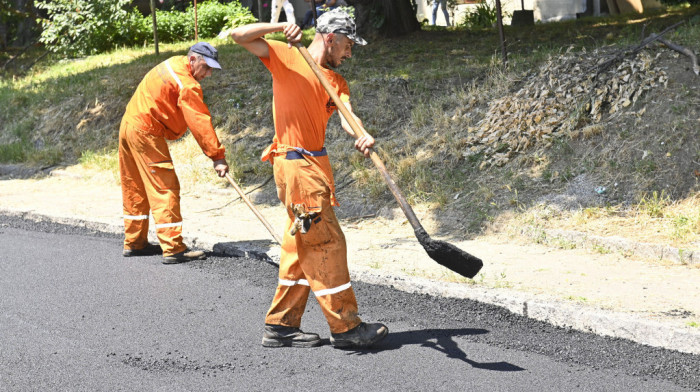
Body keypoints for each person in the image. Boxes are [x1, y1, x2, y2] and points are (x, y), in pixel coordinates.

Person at [230, 9, 388, 349]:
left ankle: (281, 325)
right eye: (347, 45)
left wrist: (361, 134)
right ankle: (346, 327)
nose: (350, 53)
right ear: (330, 38)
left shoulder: (335, 81)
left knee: (299, 246)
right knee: (327, 243)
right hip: (296, 166)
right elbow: (238, 35)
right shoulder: (286, 56)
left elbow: (348, 116)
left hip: (314, 167)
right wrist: (281, 26)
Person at [118, 42, 229, 264]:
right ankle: (173, 248)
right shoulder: (187, 83)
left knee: (135, 185)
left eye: (211, 70)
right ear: (193, 60)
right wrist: (217, 156)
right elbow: (199, 120)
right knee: (165, 186)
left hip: (128, 125)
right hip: (146, 130)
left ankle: (135, 242)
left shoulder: (173, 63)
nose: (207, 74)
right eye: (206, 67)